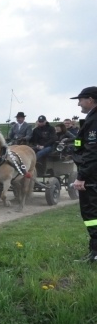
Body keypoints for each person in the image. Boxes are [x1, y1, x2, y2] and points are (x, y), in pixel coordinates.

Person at [70, 87, 97, 262]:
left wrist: (81, 176)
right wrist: (74, 148)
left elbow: (93, 152)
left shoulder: (94, 120)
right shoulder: (89, 119)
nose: (78, 103)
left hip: (92, 175)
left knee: (91, 213)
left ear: (91, 99)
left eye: (80, 99)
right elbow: (82, 144)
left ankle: (95, 253)